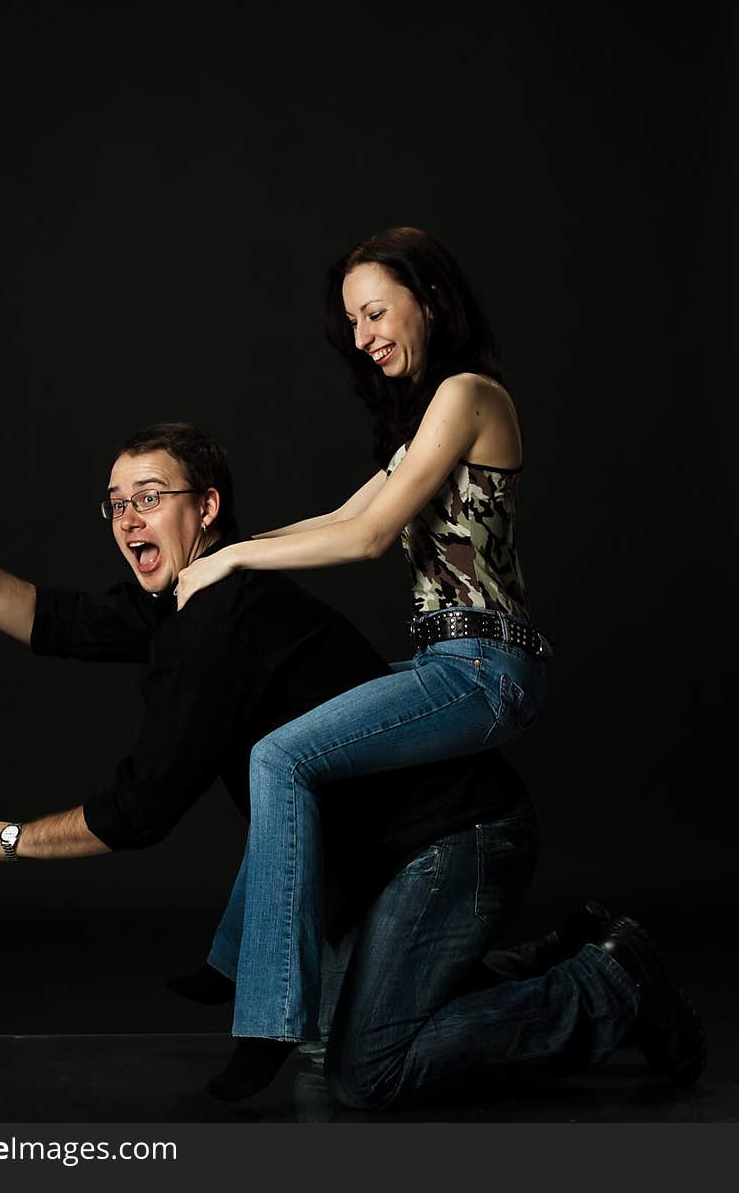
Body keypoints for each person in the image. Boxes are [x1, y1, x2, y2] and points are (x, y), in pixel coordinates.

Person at [0, 424, 705, 1110]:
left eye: (149, 496)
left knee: (368, 1070)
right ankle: (548, 960)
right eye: (116, 502)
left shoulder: (224, 620)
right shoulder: (186, 598)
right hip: (372, 861)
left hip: (455, 842)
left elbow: (136, 814)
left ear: (207, 507)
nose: (127, 517)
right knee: (332, 1035)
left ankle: (608, 985)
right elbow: (54, 620)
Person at [169, 226, 701, 1102]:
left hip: (485, 669)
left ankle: (260, 1010)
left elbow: (370, 538)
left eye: (375, 311)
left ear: (430, 299)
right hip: (447, 661)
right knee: (318, 778)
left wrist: (229, 562)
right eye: (351, 322)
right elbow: (343, 510)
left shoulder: (468, 393)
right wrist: (227, 550)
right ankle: (567, 965)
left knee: (282, 757)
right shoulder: (427, 419)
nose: (364, 335)